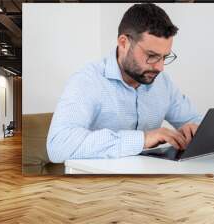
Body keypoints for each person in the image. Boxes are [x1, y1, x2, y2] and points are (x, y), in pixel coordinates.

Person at [47, 3, 202, 163]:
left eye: (164, 57)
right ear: (123, 43)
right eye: (152, 55)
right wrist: (142, 139)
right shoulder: (87, 80)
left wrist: (194, 130)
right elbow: (58, 146)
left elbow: (193, 121)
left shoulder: (162, 82)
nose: (160, 67)